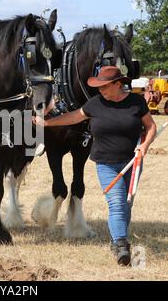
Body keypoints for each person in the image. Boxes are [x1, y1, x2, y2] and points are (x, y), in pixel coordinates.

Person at [33, 66, 157, 266]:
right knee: (116, 203)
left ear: (118, 84)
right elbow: (73, 116)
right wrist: (48, 124)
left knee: (126, 204)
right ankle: (121, 245)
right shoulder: (96, 103)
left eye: (105, 86)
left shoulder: (136, 102)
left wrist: (144, 146)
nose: (101, 90)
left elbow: (151, 126)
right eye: (99, 86)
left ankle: (117, 239)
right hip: (106, 163)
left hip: (132, 162)